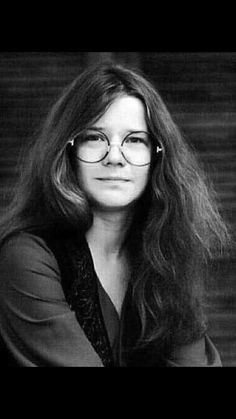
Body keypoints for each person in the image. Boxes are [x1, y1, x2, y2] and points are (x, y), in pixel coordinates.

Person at [0, 61, 231, 367]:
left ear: (156, 156)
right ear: (67, 150)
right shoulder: (25, 257)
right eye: (95, 137)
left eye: (135, 140)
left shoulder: (164, 256)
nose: (114, 158)